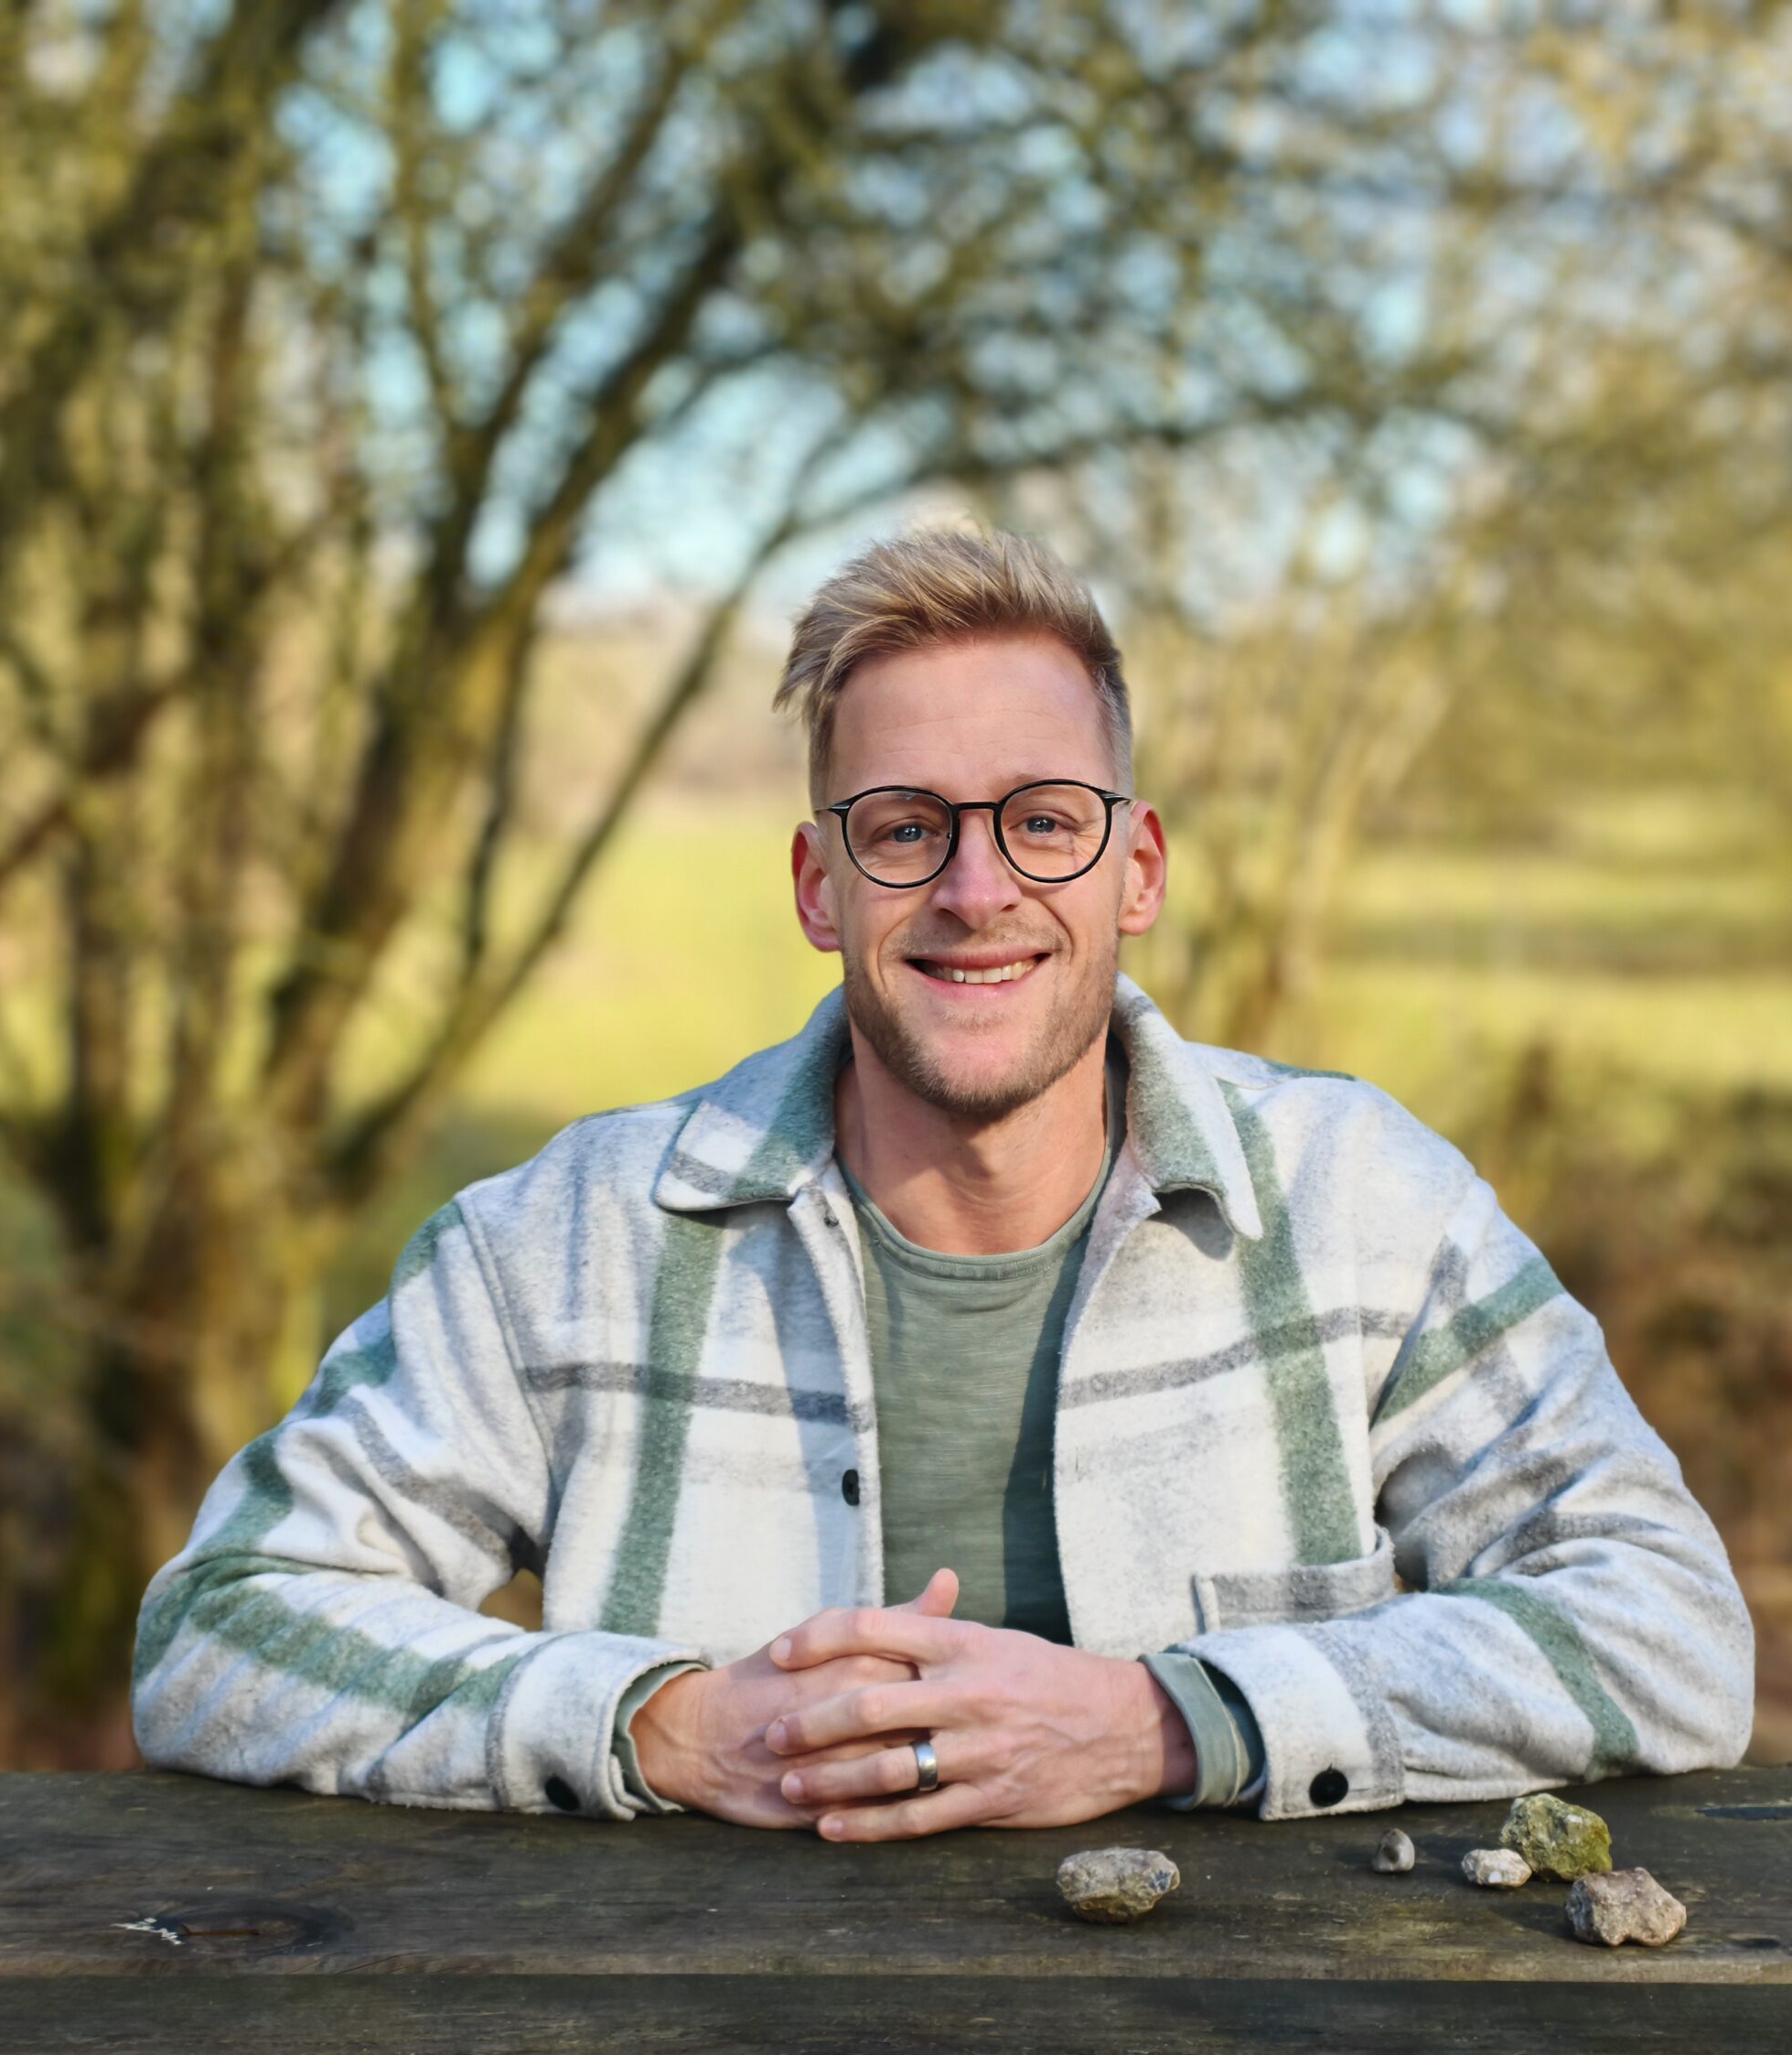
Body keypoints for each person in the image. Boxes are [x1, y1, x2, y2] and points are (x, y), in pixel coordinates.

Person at [131, 527, 1754, 1838]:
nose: (979, 891)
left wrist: (1170, 1722)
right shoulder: (562, 1243)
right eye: (905, 828)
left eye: (1043, 822)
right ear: (819, 884)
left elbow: (1670, 1628)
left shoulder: (1365, 1206)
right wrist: (661, 1724)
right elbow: (220, 1626)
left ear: (1139, 869)